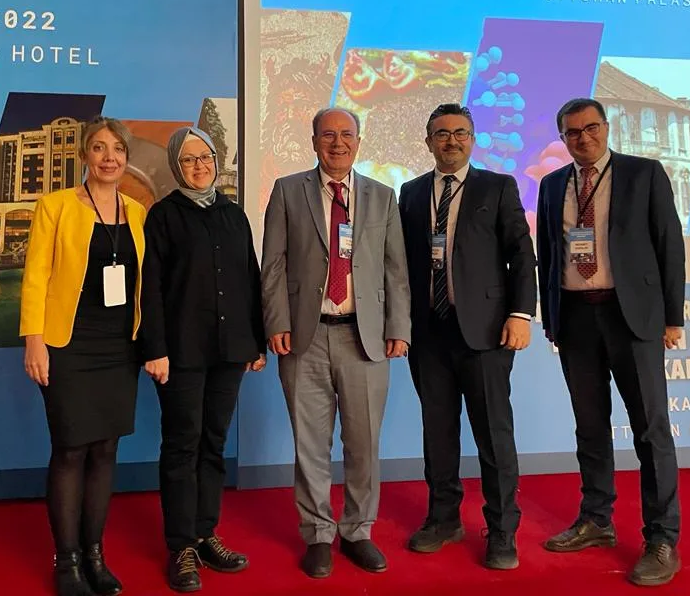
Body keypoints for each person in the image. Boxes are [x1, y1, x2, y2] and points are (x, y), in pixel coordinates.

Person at [536, 98, 685, 587]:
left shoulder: (644, 174)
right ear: (563, 138)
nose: (583, 138)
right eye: (572, 132)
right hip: (576, 318)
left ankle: (661, 538)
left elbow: (669, 245)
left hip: (633, 319)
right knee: (590, 426)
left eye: (591, 127)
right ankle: (596, 520)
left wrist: (673, 317)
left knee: (650, 430)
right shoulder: (552, 185)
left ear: (606, 127)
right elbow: (548, 254)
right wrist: (552, 319)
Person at [261, 107, 411, 579]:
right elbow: (273, 264)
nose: (338, 143)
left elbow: (395, 269)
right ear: (314, 141)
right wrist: (276, 321)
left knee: (364, 444)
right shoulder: (287, 191)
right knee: (310, 445)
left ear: (359, 141)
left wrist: (399, 327)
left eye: (347, 134)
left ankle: (358, 530)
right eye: (328, 135)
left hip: (365, 339)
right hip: (304, 338)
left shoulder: (383, 197)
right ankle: (318, 534)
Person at [398, 103, 536, 570]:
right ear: (428, 141)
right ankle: (443, 519)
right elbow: (403, 262)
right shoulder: (411, 192)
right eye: (441, 133)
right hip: (428, 334)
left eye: (460, 133)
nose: (451, 141)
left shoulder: (498, 187)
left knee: (494, 436)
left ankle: (502, 530)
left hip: (487, 333)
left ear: (472, 140)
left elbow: (522, 253)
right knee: (437, 434)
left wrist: (520, 314)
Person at [20, 116, 146, 596]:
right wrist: (34, 340)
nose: (109, 157)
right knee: (71, 448)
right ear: (84, 156)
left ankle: (95, 555)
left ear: (126, 157)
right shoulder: (54, 206)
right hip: (67, 344)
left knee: (106, 449)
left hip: (120, 346)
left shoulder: (138, 212)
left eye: (118, 149)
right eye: (99, 148)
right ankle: (67, 560)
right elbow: (36, 275)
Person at [140, 127, 267, 593]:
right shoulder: (163, 216)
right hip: (180, 353)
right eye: (189, 159)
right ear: (177, 166)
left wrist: (256, 342)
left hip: (230, 350)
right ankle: (181, 546)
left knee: (213, 443)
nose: (200, 166)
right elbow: (150, 288)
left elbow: (250, 278)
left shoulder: (233, 214)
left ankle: (205, 532)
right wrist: (154, 348)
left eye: (206, 157)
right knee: (182, 445)